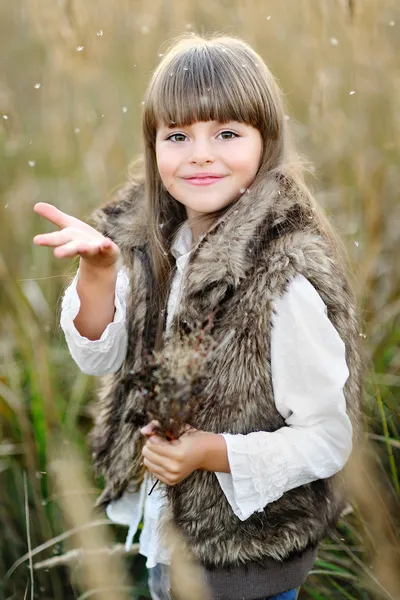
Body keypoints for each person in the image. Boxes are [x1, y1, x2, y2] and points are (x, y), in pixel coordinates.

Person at [33, 33, 363, 600]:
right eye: (178, 135)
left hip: (246, 564)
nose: (201, 154)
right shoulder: (152, 245)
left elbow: (329, 438)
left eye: (227, 133)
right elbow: (99, 354)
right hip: (170, 541)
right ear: (153, 145)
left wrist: (208, 452)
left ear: (267, 143)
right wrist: (98, 273)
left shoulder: (282, 277)